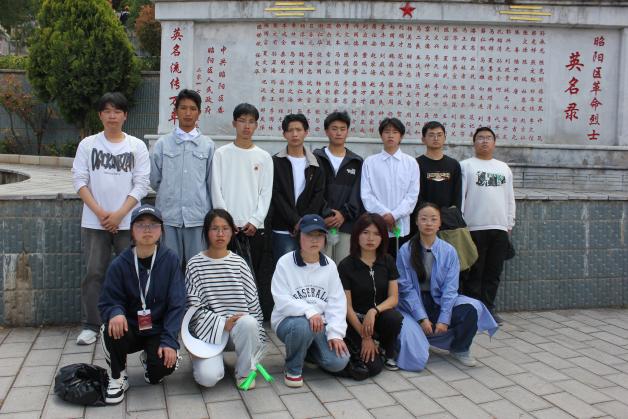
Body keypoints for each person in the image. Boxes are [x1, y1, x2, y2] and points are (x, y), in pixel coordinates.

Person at [72, 92, 150, 345]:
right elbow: (79, 181)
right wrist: (101, 213)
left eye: (117, 111)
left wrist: (119, 214)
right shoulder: (88, 145)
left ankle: (134, 321)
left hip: (128, 223)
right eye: (107, 111)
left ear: (125, 115)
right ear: (100, 115)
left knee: (133, 273)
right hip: (95, 222)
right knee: (94, 273)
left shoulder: (136, 146)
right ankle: (91, 325)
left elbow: (141, 184)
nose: (112, 116)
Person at [98, 204, 186, 404]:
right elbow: (108, 300)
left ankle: (150, 360)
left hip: (156, 329)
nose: (147, 229)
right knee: (111, 325)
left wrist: (169, 340)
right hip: (129, 328)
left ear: (161, 231)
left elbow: (177, 304)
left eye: (153, 225)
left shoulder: (170, 260)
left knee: (162, 370)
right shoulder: (120, 264)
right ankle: (118, 376)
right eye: (141, 225)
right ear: (132, 231)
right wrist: (115, 312)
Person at [396, 203, 498, 371]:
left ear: (439, 223)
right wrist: (422, 318)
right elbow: (406, 289)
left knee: (471, 309)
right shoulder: (406, 250)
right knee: (411, 342)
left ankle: (460, 348)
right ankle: (418, 340)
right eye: (424, 219)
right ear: (416, 222)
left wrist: (444, 319)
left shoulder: (449, 251)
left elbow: (450, 289)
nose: (428, 223)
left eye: (433, 219)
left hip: (438, 300)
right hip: (414, 303)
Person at [185, 209, 266, 388]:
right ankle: (205, 358)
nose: (220, 234)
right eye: (215, 229)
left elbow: (254, 307)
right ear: (206, 232)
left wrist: (256, 348)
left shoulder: (239, 263)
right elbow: (193, 309)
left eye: (225, 228)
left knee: (249, 323)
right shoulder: (194, 264)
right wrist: (223, 323)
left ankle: (244, 373)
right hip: (208, 332)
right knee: (207, 379)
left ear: (232, 232)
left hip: (238, 331)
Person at [271, 214, 349, 387]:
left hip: (319, 324)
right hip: (289, 321)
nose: (314, 240)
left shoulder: (330, 266)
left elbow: (337, 302)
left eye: (319, 235)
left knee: (339, 361)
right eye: (308, 235)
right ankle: (293, 368)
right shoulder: (285, 262)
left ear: (325, 238)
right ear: (299, 236)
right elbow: (281, 299)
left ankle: (308, 352)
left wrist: (336, 334)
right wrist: (310, 311)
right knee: (302, 325)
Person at [211, 103, 274, 317]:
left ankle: (250, 317)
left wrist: (255, 220)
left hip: (253, 228)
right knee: (224, 274)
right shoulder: (221, 154)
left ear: (256, 125)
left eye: (251, 122)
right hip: (226, 228)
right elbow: (216, 189)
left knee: (250, 275)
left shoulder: (264, 157)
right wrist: (225, 223)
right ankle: (223, 315)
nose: (246, 126)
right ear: (234, 123)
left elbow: (265, 193)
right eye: (242, 121)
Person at [150, 89, 214, 267]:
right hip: (168, 217)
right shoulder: (162, 144)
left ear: (199, 113)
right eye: (183, 108)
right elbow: (154, 179)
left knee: (198, 268)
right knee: (169, 267)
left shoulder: (208, 145)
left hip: (197, 218)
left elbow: (211, 182)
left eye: (193, 109)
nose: (187, 113)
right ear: (176, 111)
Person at [460, 127, 515, 325]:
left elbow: (510, 198)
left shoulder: (503, 168)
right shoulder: (465, 166)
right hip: (473, 228)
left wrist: (509, 222)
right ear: (474, 142)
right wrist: (462, 225)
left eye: (488, 138)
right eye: (480, 138)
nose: (484, 141)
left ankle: (489, 309)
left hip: (499, 228)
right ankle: (473, 310)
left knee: (493, 272)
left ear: (494, 143)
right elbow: (461, 198)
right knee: (474, 272)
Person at [337, 213, 403, 377]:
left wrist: (374, 311)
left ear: (383, 237)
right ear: (357, 235)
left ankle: (386, 351)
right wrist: (365, 336)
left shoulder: (387, 260)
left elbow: (394, 298)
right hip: (354, 321)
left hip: (377, 317)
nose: (371, 238)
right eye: (365, 232)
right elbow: (347, 307)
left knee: (394, 317)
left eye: (376, 234)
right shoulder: (346, 265)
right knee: (373, 369)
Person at [270, 114, 326, 262]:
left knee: (308, 267)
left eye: (299, 130)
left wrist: (304, 222)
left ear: (306, 132)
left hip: (309, 229)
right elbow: (276, 194)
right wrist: (295, 221)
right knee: (285, 268)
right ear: (284, 134)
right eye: (290, 130)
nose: (294, 134)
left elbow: (318, 194)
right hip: (283, 228)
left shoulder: (315, 163)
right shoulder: (276, 162)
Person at [361, 117, 420, 257]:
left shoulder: (411, 163)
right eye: (387, 132)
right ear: (381, 135)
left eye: (395, 132)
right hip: (377, 225)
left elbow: (412, 195)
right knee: (377, 261)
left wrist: (394, 215)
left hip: (401, 225)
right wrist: (384, 215)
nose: (391, 135)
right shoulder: (370, 162)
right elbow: (366, 194)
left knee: (400, 262)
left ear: (401, 136)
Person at [313, 111, 364, 263]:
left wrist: (343, 214)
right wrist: (326, 214)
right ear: (326, 131)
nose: (338, 133)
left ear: (348, 131)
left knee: (343, 265)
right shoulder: (316, 158)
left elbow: (357, 193)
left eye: (342, 129)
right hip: (321, 223)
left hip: (346, 224)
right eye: (334, 129)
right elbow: (314, 190)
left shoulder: (356, 162)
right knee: (321, 265)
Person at [416, 121, 462, 209]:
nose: (436, 138)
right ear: (423, 139)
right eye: (431, 135)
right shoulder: (416, 164)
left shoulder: (454, 164)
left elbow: (457, 196)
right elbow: (415, 194)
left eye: (439, 135)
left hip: (448, 215)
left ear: (445, 138)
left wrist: (451, 213)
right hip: (424, 215)